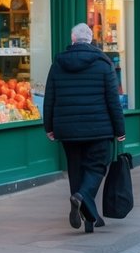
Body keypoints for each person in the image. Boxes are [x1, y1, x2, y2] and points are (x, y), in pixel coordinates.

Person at [44, 23, 126, 234]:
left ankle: (89, 219)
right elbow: (113, 101)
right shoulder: (103, 64)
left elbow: (50, 98)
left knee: (76, 170)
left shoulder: (58, 64)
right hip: (99, 128)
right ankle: (80, 197)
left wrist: (49, 127)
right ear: (90, 40)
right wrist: (120, 129)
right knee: (97, 167)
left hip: (68, 129)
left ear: (73, 40)